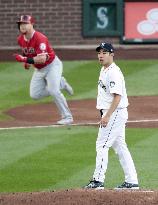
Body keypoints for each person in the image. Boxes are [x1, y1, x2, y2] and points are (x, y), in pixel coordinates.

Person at [84, 42, 139, 190]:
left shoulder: (113, 72)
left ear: (112, 54)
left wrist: (107, 116)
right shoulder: (104, 69)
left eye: (104, 52)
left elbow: (117, 97)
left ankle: (98, 181)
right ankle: (132, 181)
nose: (100, 55)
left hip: (114, 113)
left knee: (102, 144)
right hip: (115, 113)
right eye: (99, 53)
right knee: (121, 147)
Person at [14, 15, 73, 125]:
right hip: (39, 69)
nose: (22, 26)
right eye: (20, 24)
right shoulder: (20, 39)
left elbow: (41, 59)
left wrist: (24, 59)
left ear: (32, 25)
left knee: (54, 91)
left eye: (25, 23)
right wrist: (27, 61)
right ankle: (61, 83)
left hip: (52, 65)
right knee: (35, 95)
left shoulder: (40, 38)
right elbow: (27, 52)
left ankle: (67, 117)